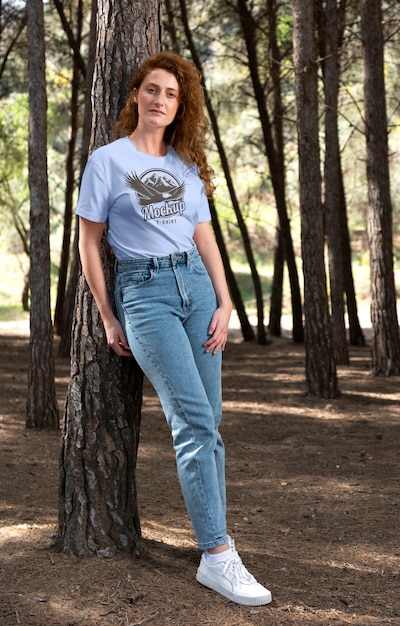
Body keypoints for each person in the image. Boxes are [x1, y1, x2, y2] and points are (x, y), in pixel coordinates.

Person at [76, 51, 272, 607]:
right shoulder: (107, 162)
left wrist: (226, 301)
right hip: (145, 295)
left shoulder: (187, 163)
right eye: (153, 90)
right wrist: (108, 313)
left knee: (210, 424)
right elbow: (90, 243)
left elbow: (205, 235)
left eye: (172, 95)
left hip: (197, 290)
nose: (161, 100)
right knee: (191, 421)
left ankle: (218, 548)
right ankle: (217, 554)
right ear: (136, 94)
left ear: (180, 106)